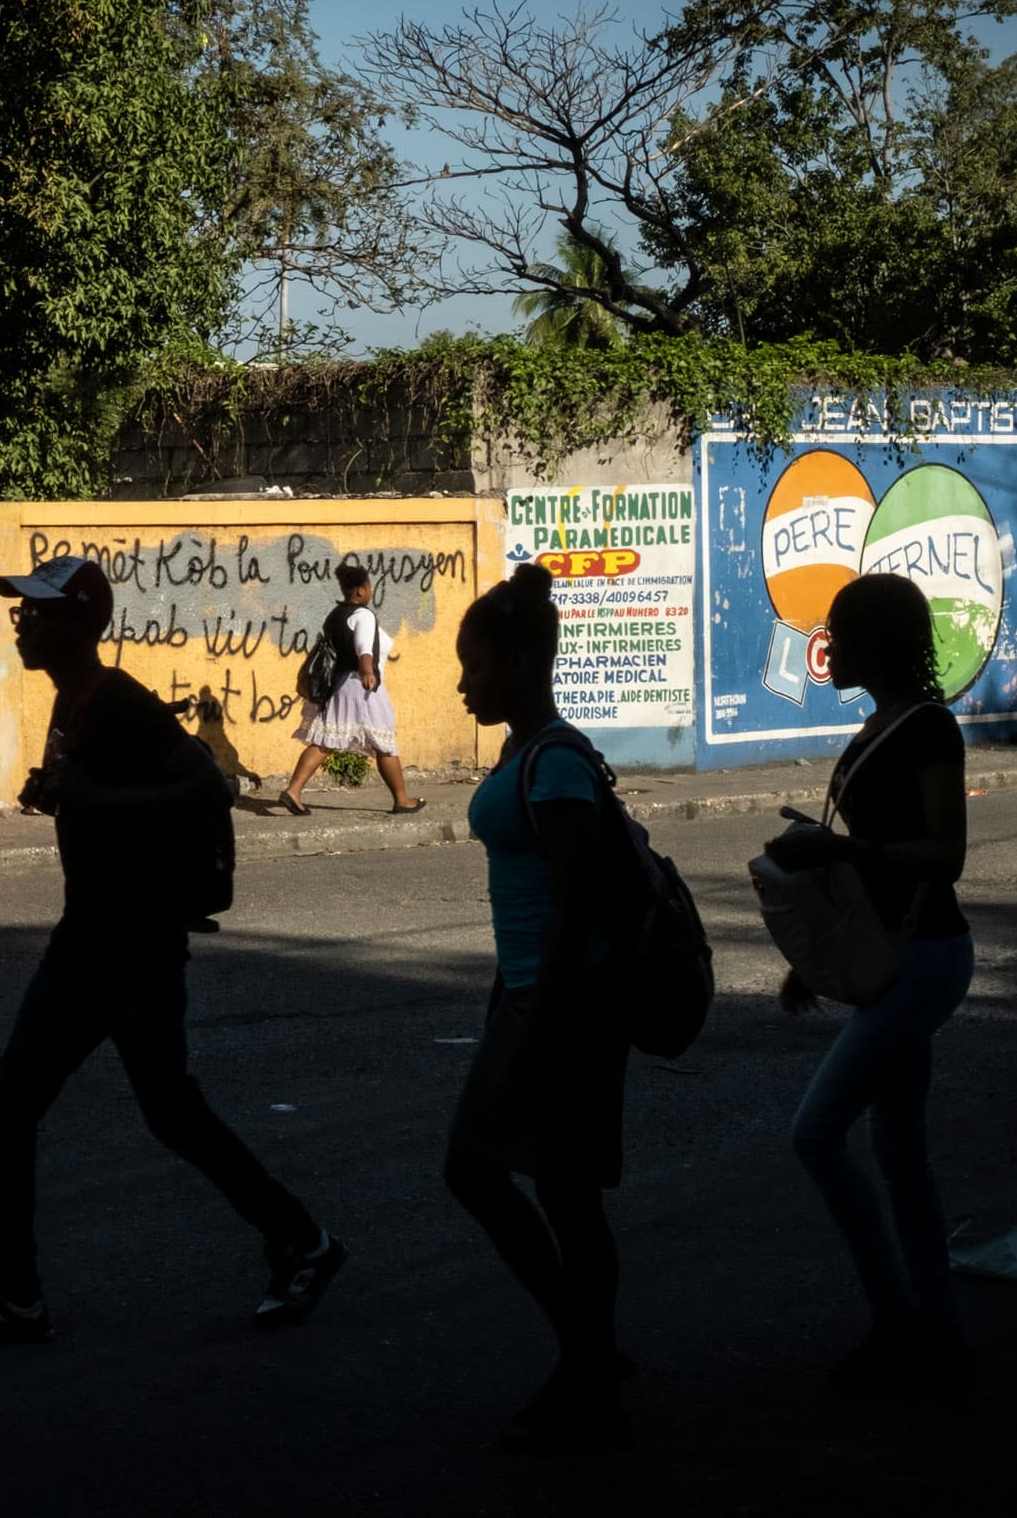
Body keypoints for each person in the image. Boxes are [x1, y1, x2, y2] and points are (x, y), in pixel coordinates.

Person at [0, 555, 345, 1344]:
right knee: (19, 1101)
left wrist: (95, 798)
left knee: (169, 1114)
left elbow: (207, 784)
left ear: (79, 623)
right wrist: (64, 795)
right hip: (87, 941)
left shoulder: (117, 700)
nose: (23, 621)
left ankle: (305, 1241)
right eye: (22, 611)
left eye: (38, 611)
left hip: (134, 948)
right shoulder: (72, 702)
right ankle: (13, 1289)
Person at [760, 573, 975, 1390]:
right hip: (897, 955)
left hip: (925, 960)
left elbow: (945, 856)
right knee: (898, 1150)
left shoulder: (929, 730)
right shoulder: (882, 723)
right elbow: (869, 874)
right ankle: (938, 1328)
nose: (829, 646)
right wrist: (811, 959)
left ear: (876, 643)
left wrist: (838, 851)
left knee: (816, 1133)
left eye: (842, 633)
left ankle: (898, 1320)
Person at [446, 563, 635, 1451]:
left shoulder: (554, 761)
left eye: (474, 666)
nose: (462, 682)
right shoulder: (530, 751)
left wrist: (535, 1025)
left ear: (518, 662)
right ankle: (590, 1349)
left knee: (560, 1192)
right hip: (528, 999)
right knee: (487, 1172)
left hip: (566, 1007)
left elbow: (577, 908)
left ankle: (588, 1363)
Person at [279, 564, 425, 816]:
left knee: (325, 740)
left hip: (341, 685)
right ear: (359, 590)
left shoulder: (335, 615)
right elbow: (363, 647)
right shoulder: (363, 615)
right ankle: (402, 799)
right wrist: (368, 671)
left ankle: (293, 791)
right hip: (363, 685)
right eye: (368, 587)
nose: (370, 591)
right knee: (385, 743)